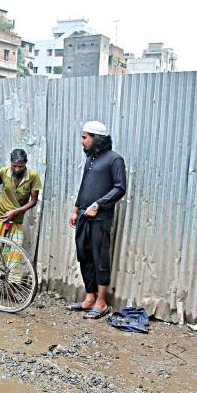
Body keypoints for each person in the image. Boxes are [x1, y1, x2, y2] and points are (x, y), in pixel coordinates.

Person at [66, 121, 127, 320]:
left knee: (100, 258)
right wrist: (76, 209)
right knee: (84, 255)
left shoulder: (115, 160)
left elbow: (119, 188)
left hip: (100, 217)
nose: (82, 141)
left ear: (96, 138)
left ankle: (101, 303)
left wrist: (98, 205)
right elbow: (84, 185)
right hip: (84, 215)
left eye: (85, 137)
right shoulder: (90, 158)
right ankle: (89, 298)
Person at [0, 148, 42, 245]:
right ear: (10, 162)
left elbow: (33, 201)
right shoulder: (4, 171)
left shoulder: (33, 176)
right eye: (14, 166)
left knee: (15, 254)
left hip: (16, 219)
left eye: (21, 166)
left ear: (26, 163)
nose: (17, 169)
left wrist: (15, 212)